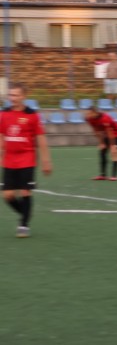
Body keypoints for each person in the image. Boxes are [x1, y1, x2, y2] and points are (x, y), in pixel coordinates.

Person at [1, 83, 52, 237]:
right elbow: (1, 135)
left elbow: (41, 139)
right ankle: (25, 213)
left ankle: (23, 224)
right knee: (8, 195)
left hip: (27, 158)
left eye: (16, 95)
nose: (13, 98)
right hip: (9, 160)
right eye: (11, 95)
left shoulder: (32, 115)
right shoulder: (4, 114)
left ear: (24, 96)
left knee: (25, 191)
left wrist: (46, 161)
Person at [85, 105, 117, 181]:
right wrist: (101, 143)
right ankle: (103, 175)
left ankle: (114, 176)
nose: (87, 115)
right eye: (86, 113)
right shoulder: (89, 119)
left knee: (114, 153)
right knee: (102, 152)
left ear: (95, 113)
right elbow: (96, 130)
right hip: (106, 134)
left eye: (89, 113)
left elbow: (110, 132)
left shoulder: (105, 118)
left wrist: (113, 145)